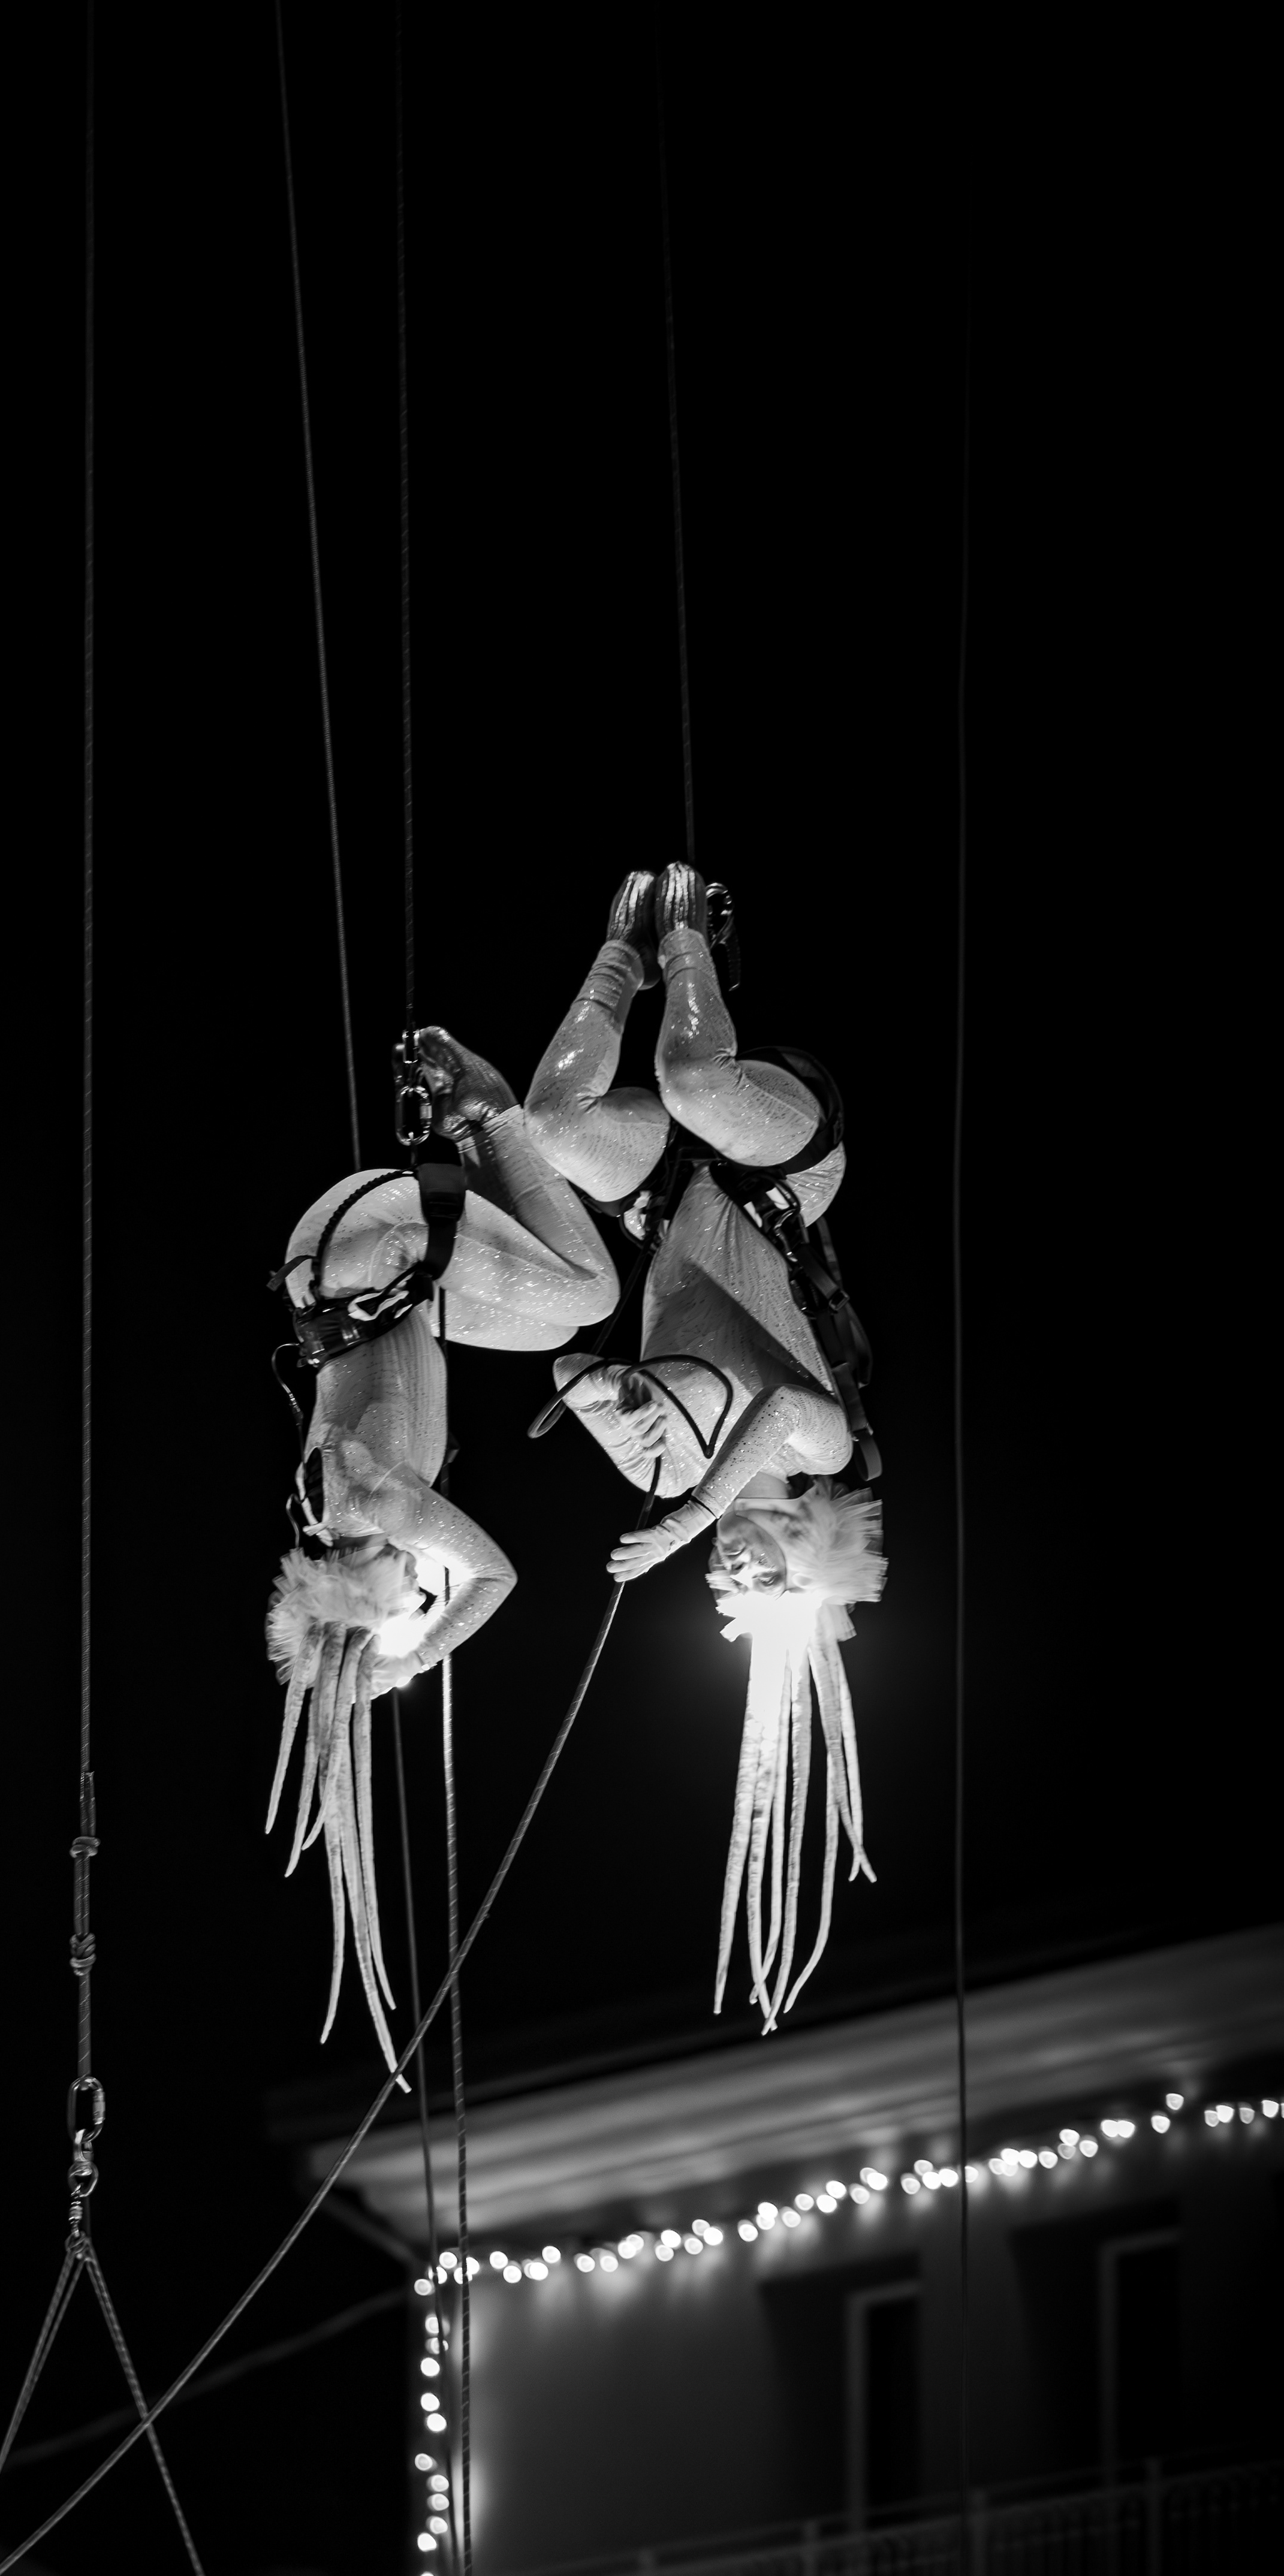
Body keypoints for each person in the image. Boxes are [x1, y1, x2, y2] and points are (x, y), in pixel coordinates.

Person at [525, 862, 886, 2025]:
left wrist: (606, 1399)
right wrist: (686, 1519)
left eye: (735, 1592)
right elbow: (773, 1408)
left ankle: (623, 951)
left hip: (671, 1199)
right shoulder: (819, 1454)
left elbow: (570, 1375)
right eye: (768, 1576)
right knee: (691, 1078)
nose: (733, 1572)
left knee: (552, 1127)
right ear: (808, 1547)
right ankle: (693, 938)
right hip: (779, 1175)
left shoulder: (672, 1466)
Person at [265, 1017, 625, 2067]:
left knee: (591, 1295)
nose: (423, 1594)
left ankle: (488, 1113)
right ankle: (475, 1132)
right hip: (341, 1268)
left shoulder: (379, 1510)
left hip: (377, 1248)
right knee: (551, 1325)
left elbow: (498, 1575)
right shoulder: (324, 1510)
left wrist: (414, 1661)